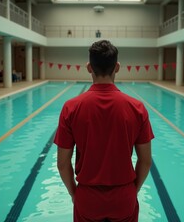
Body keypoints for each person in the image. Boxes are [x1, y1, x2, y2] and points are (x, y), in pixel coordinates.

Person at [54, 40, 154, 222]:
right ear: (117, 67)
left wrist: (74, 194)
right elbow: (146, 161)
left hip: (88, 198)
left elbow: (62, 164)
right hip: (124, 197)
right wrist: (133, 190)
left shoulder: (71, 108)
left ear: (88, 67)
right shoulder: (137, 108)